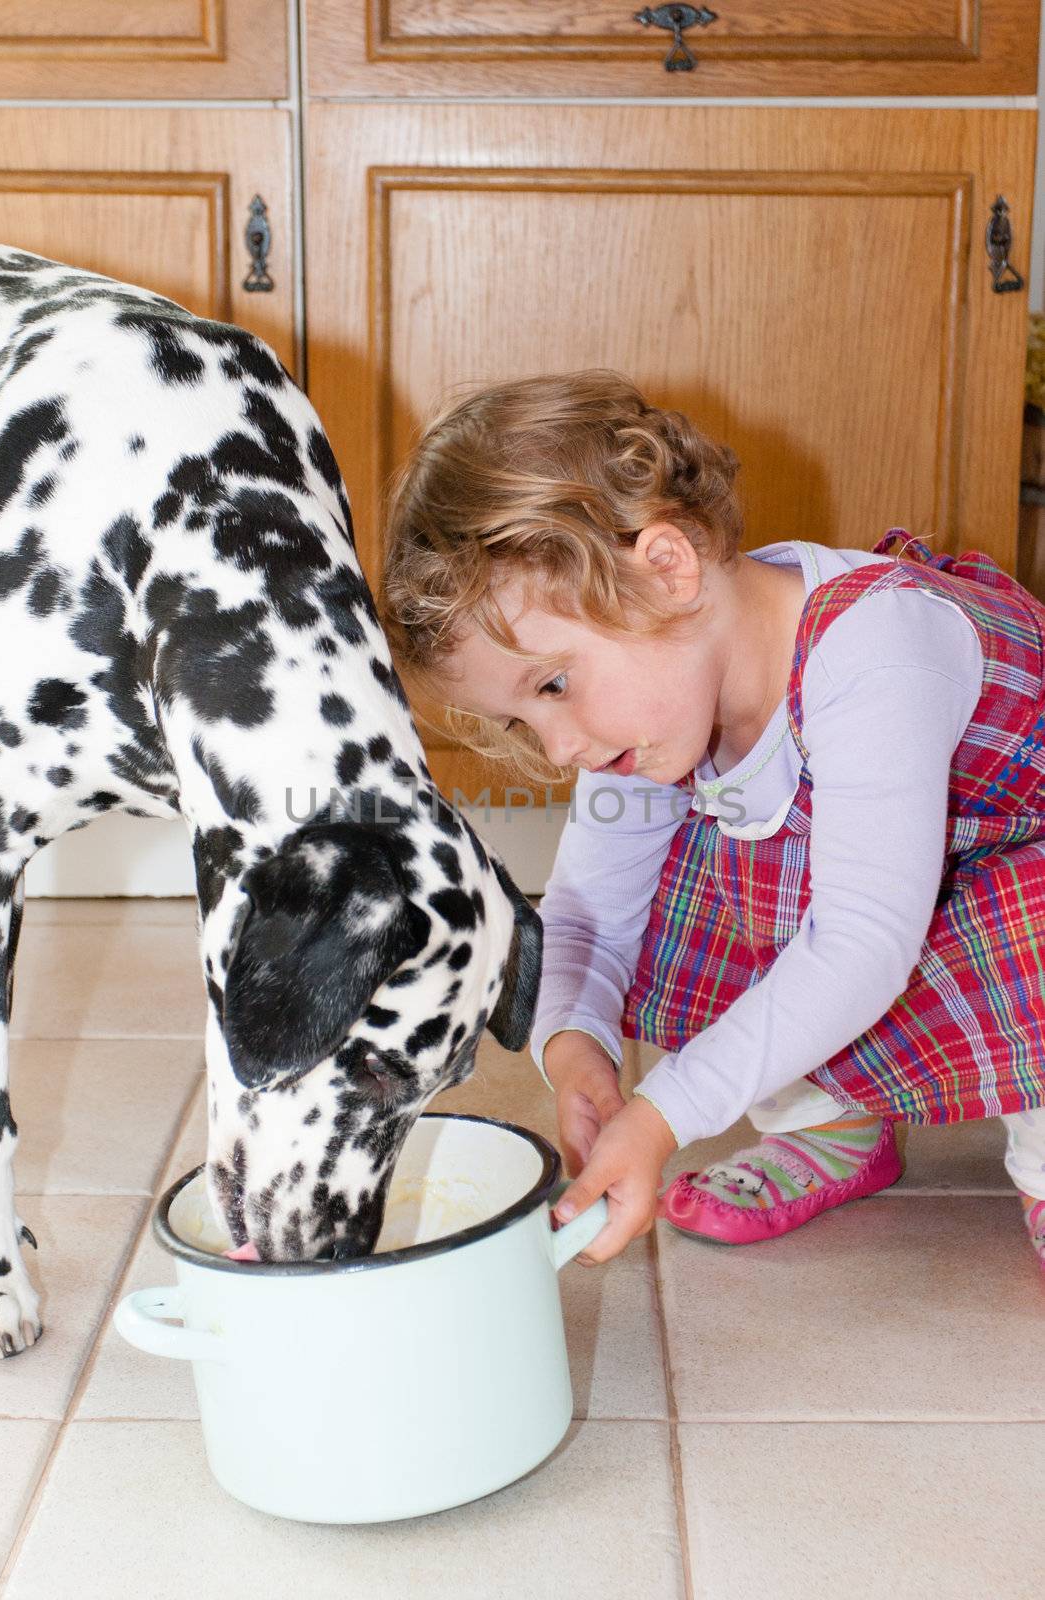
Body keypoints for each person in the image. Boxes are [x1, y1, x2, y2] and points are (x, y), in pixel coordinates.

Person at [378, 369, 1045, 1271]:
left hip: (1018, 864)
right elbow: (587, 914)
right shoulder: (657, 714)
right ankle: (831, 1121)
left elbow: (863, 942)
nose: (559, 747)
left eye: (554, 686)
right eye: (521, 722)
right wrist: (573, 1051)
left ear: (666, 570)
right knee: (698, 889)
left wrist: (667, 1111)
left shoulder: (875, 647)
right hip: (921, 896)